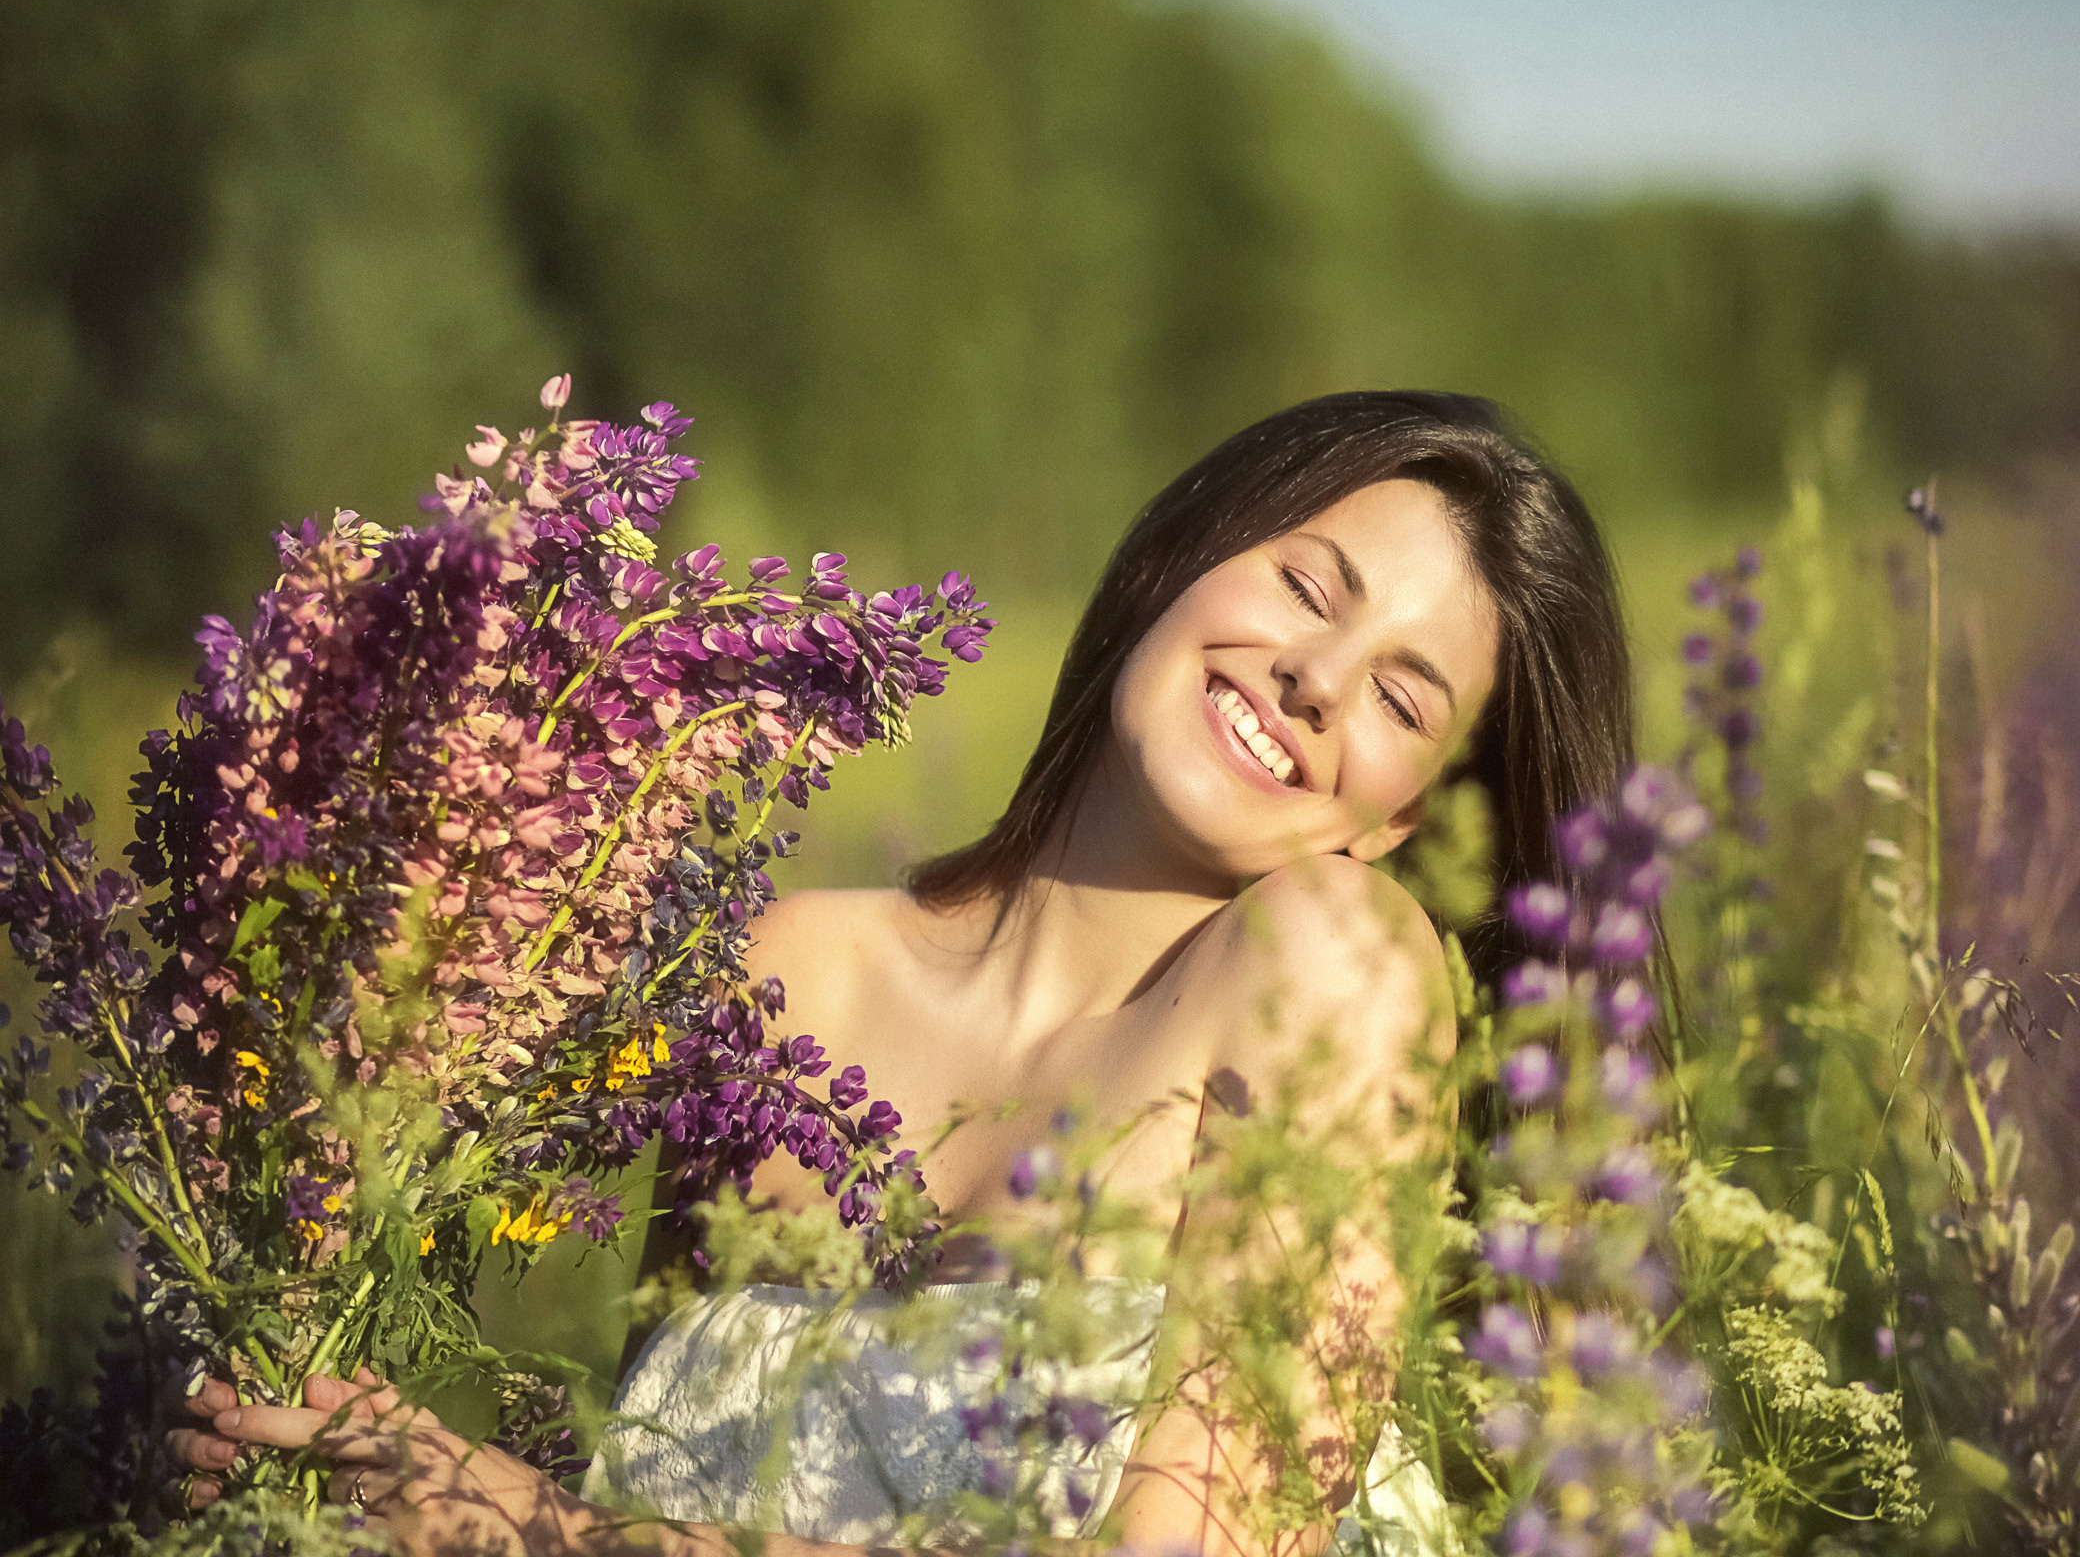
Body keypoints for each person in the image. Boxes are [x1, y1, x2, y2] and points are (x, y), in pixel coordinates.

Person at [166, 391, 1637, 1554]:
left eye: (1398, 695)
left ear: (1401, 821)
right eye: (1310, 587)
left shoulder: (1332, 962)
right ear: (1178, 563)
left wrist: (529, 1532)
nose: (1318, 673)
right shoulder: (777, 976)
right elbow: (658, 1465)